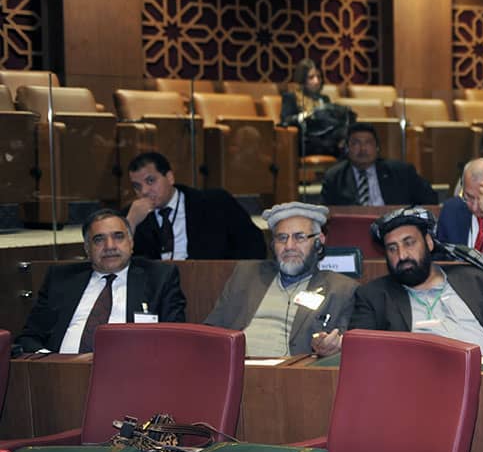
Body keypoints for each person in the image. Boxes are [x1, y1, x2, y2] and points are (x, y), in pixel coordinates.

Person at [348, 207, 483, 354]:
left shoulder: (475, 279)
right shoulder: (374, 296)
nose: (402, 255)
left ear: (429, 242)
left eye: (409, 243)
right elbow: (360, 351)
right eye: (392, 248)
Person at [16, 210, 186, 353]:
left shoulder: (160, 278)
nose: (110, 246)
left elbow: (174, 339)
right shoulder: (61, 279)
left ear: (131, 242)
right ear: (87, 248)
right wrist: (49, 362)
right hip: (61, 375)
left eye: (118, 237)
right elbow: (30, 336)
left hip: (130, 376)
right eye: (99, 239)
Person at [205, 202, 356, 357]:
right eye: (282, 238)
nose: (289, 246)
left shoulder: (341, 289)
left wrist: (329, 346)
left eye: (300, 237)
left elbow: (342, 345)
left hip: (291, 374)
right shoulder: (246, 275)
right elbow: (211, 330)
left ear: (319, 241)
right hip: (235, 365)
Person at [124, 152, 267, 261]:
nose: (144, 192)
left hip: (210, 284)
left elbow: (253, 244)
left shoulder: (215, 203)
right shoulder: (132, 216)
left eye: (150, 181)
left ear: (170, 178)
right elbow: (115, 263)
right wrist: (130, 223)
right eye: (137, 186)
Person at [320, 124, 438, 206]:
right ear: (347, 149)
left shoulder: (401, 172)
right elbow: (327, 213)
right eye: (356, 143)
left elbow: (430, 200)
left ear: (377, 148)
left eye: (368, 143)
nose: (362, 149)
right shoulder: (334, 177)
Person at [279, 58, 330, 127]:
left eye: (319, 77)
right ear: (302, 80)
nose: (316, 81)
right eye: (311, 77)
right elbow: (285, 120)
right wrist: (306, 116)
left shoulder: (324, 99)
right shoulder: (291, 97)